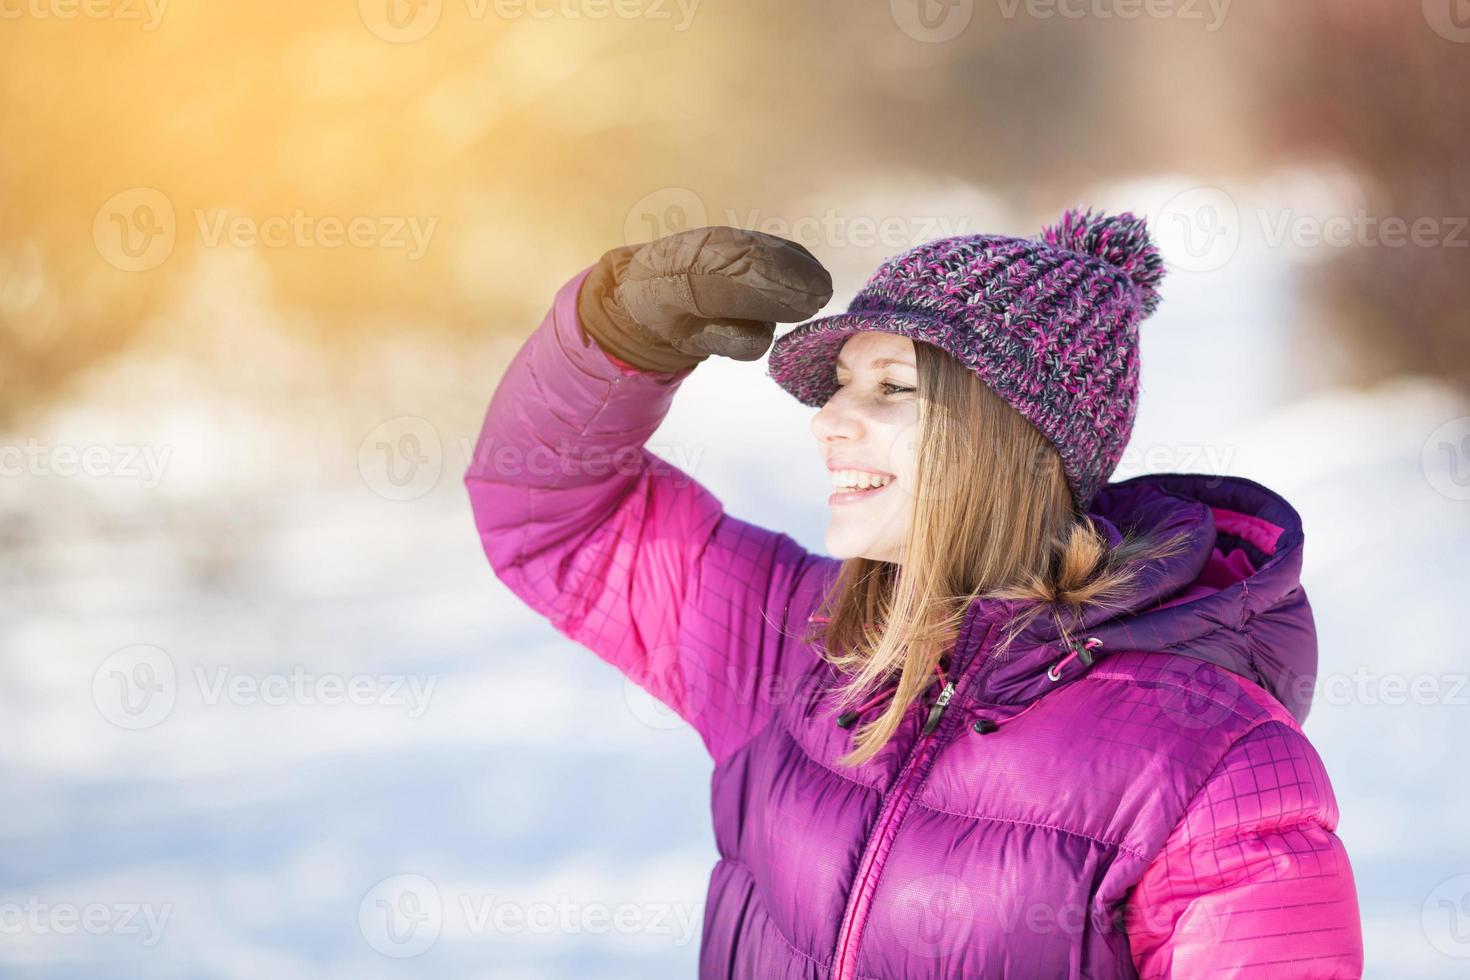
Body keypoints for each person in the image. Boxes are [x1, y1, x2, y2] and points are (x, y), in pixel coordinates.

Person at [463, 213, 1365, 977]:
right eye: (841, 386)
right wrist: (613, 335)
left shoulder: (1213, 763)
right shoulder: (798, 642)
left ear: (1014, 441)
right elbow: (555, 520)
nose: (831, 420)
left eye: (892, 389)